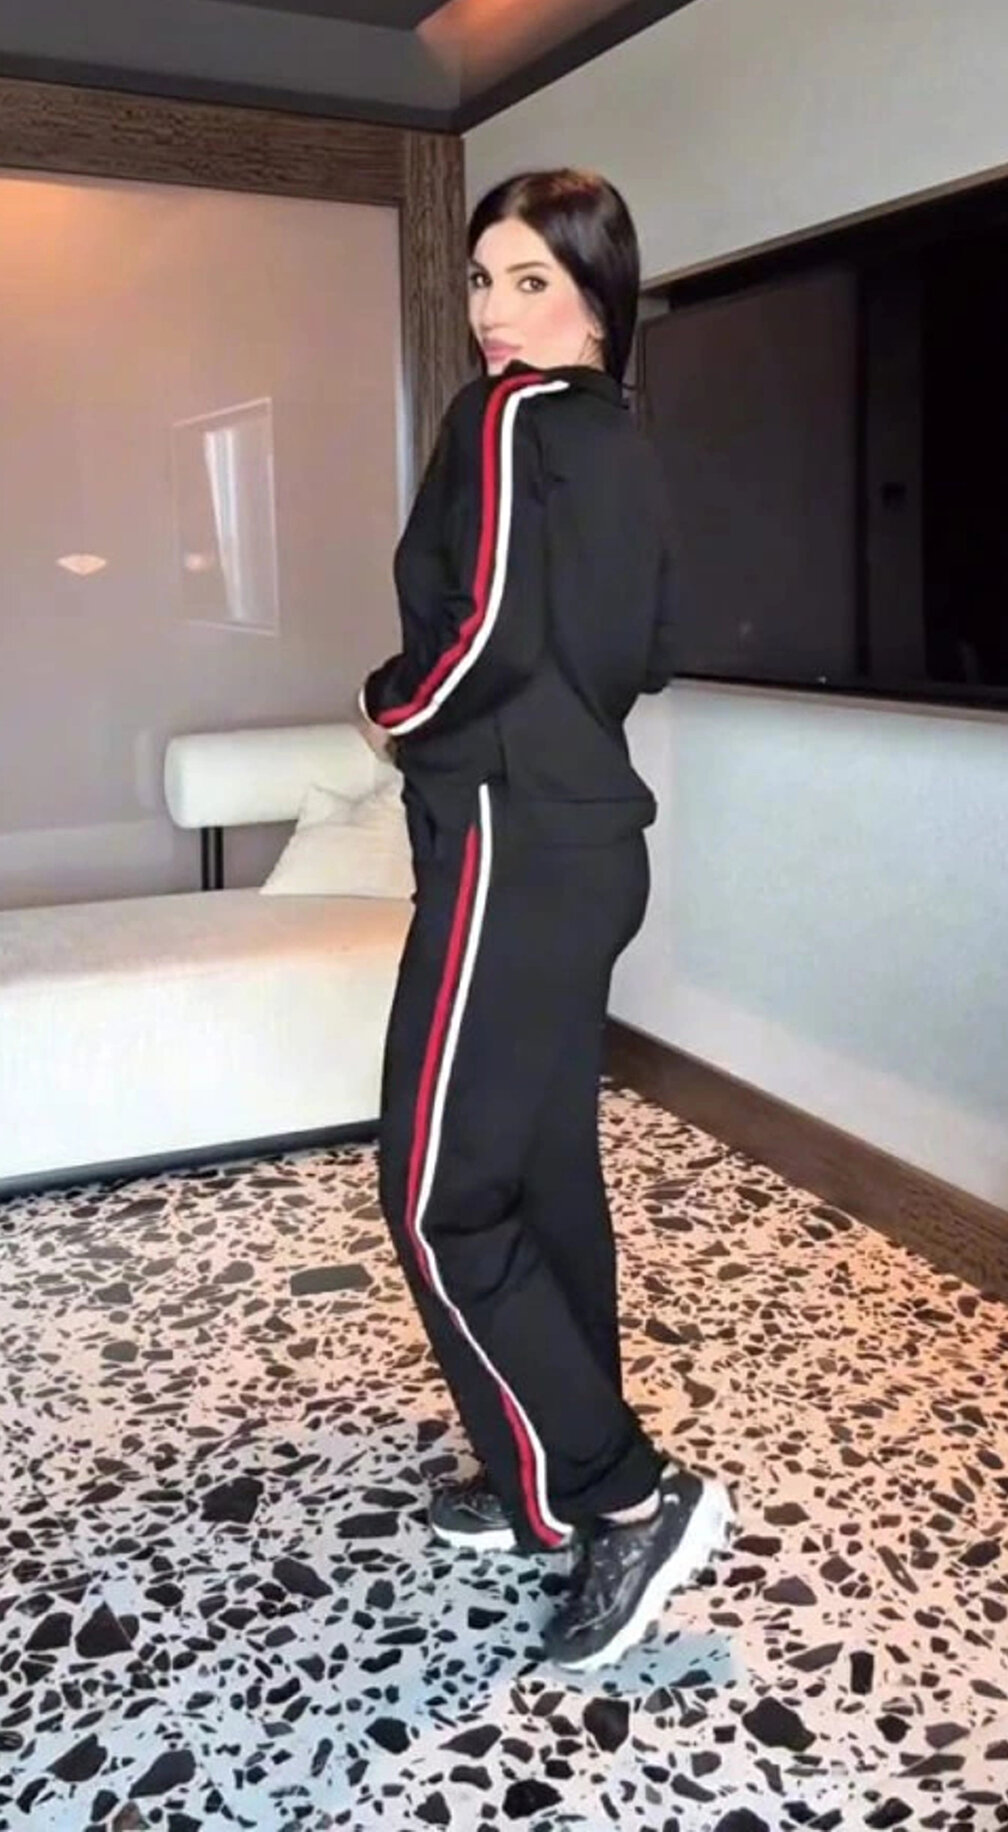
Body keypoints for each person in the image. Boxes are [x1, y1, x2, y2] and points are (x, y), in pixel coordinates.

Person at [357, 169, 732, 1673]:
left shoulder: (510, 419)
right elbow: (649, 646)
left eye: (532, 280)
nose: (495, 313)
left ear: (596, 295)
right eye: (481, 279)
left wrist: (393, 710)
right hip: (583, 844)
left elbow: (486, 629)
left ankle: (622, 1492)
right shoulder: (623, 437)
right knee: (540, 1178)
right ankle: (548, 1478)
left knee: (438, 1192)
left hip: (510, 842)